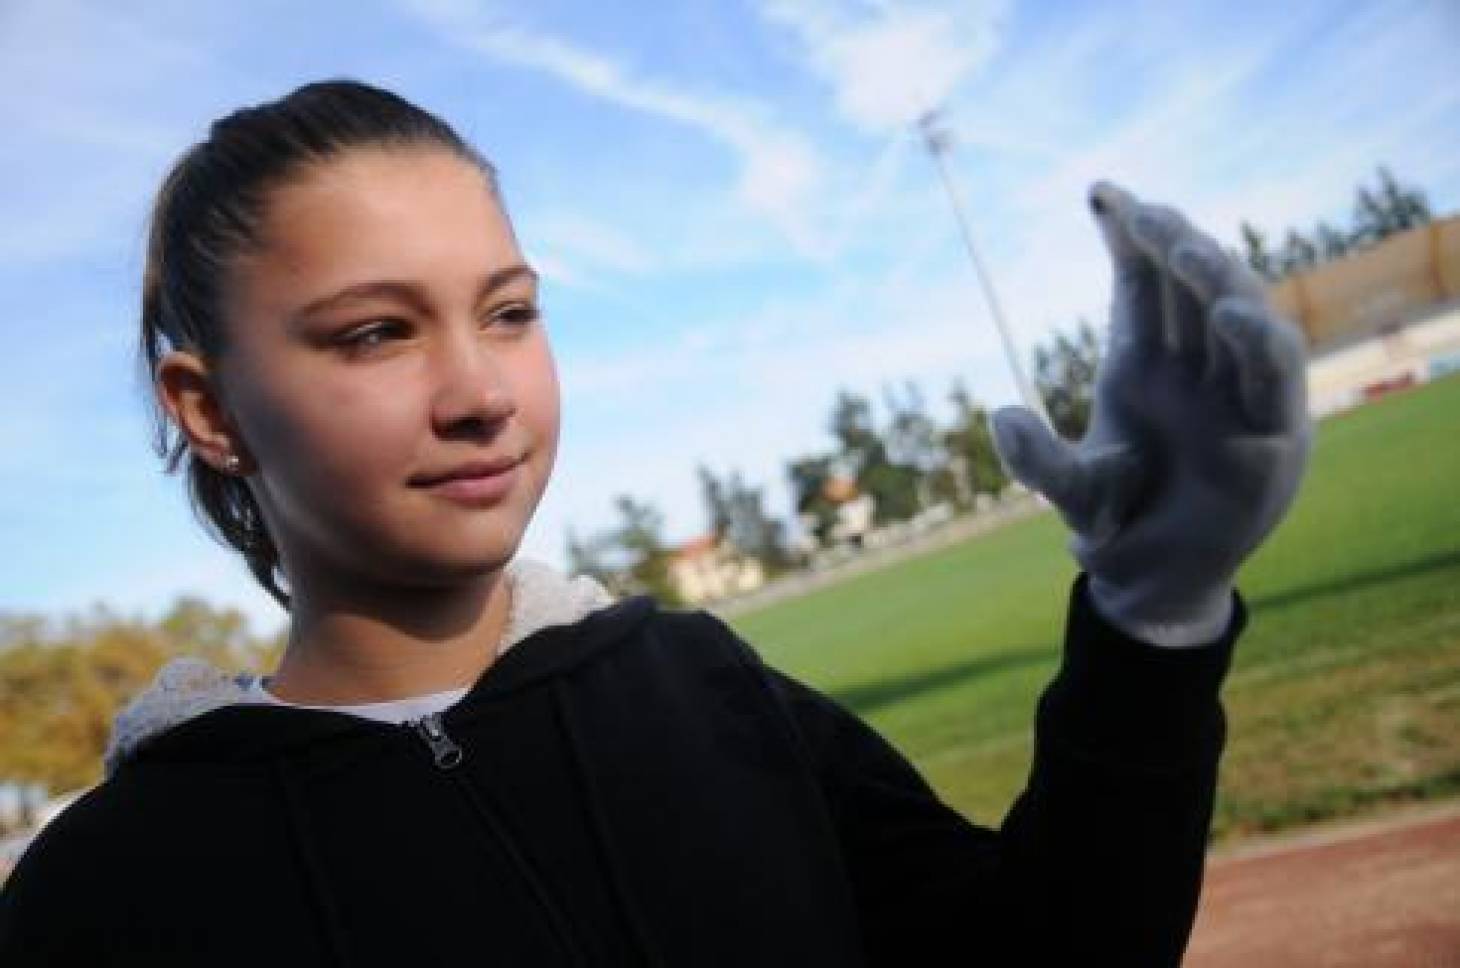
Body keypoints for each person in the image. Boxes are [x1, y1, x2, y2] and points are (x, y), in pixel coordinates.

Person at [0, 79, 1310, 966]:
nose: (480, 393)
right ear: (209, 408)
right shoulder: (104, 897)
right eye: (376, 333)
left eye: (508, 312)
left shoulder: (705, 688)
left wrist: (1156, 621)